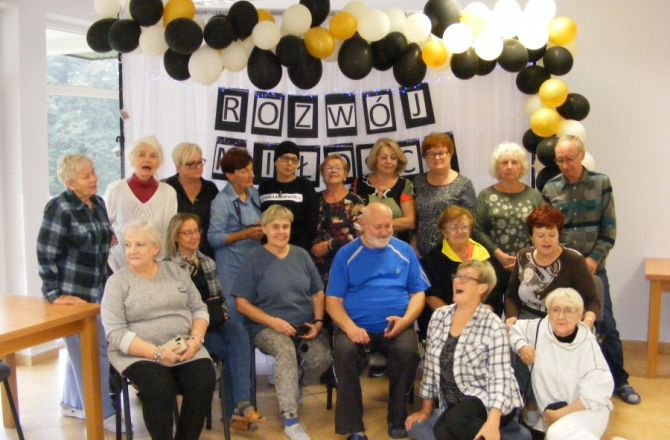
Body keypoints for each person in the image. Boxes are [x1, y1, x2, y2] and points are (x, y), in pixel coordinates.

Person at [542, 135, 639, 405]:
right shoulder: (550, 188)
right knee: (560, 322)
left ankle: (620, 381)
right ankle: (567, 384)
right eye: (560, 160)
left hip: (594, 268)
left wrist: (594, 259)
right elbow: (548, 231)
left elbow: (609, 229)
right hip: (562, 269)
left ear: (582, 156)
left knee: (605, 324)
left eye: (569, 159)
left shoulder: (601, 183)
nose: (565, 165)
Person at [101, 221, 215, 440]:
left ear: (156, 248)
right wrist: (157, 353)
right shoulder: (117, 283)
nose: (132, 251)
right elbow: (115, 333)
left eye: (140, 245)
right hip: (138, 354)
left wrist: (196, 339)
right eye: (128, 245)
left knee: (204, 378)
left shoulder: (175, 271)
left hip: (184, 345)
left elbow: (199, 308)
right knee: (159, 386)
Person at [326, 202, 429, 440]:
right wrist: (350, 328)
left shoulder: (404, 251)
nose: (384, 232)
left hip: (397, 325)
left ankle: (397, 418)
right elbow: (332, 301)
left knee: (408, 352)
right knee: (344, 352)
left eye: (388, 226)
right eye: (378, 227)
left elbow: (418, 294)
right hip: (354, 326)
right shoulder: (346, 254)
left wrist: (406, 320)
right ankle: (353, 426)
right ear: (363, 225)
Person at [233, 205, 331, 440]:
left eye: (285, 226)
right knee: (285, 351)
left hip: (303, 325)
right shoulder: (254, 259)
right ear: (265, 229)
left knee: (322, 357)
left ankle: (293, 378)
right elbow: (242, 304)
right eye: (275, 227)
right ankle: (290, 419)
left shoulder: (301, 255)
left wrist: (318, 322)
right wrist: (273, 322)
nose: (281, 231)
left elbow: (318, 293)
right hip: (266, 326)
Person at [36, 154, 117, 430]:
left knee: (83, 349)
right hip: (73, 293)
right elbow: (46, 252)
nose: (94, 178)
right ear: (70, 183)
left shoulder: (98, 203)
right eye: (86, 176)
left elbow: (104, 237)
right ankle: (102, 413)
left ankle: (73, 402)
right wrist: (53, 293)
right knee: (94, 350)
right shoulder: (59, 207)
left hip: (99, 287)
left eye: (93, 172)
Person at [164, 213, 263, 431]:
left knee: (239, 332)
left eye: (196, 231)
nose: (193, 237)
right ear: (176, 237)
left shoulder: (207, 261)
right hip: (192, 327)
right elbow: (173, 307)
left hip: (215, 319)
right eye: (187, 233)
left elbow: (219, 296)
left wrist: (224, 312)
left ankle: (241, 403)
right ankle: (235, 410)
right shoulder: (168, 266)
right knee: (229, 351)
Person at [405, 261, 524, 440]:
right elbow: (430, 366)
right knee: (445, 428)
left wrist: (492, 423)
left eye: (465, 278)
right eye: (457, 276)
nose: (457, 281)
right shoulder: (439, 316)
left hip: (491, 401)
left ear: (482, 287)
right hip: (456, 404)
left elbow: (500, 377)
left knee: (453, 423)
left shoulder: (493, 324)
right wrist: (426, 410)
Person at [509, 288, 614, 439]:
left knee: (556, 434)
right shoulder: (540, 328)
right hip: (551, 413)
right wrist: (521, 347)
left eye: (568, 310)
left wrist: (558, 415)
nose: (561, 316)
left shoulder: (587, 344)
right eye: (555, 310)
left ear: (580, 315)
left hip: (586, 411)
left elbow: (596, 394)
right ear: (548, 312)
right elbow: (513, 329)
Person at [473, 142, 543, 315]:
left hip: (527, 265)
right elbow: (477, 230)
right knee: (491, 313)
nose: (509, 166)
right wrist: (499, 255)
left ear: (522, 166)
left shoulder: (534, 196)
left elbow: (541, 230)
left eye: (514, 162)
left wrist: (523, 257)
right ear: (497, 167)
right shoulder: (486, 195)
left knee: (522, 315)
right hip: (493, 264)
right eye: (504, 162)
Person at [504, 205, 600, 327]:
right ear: (531, 237)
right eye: (541, 236)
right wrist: (512, 316)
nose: (547, 240)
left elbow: (592, 301)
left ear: (559, 235)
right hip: (527, 320)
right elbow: (511, 296)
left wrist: (588, 321)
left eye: (552, 235)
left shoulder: (574, 260)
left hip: (563, 322)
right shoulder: (523, 256)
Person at [105, 135, 177, 272]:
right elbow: (105, 228)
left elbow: (169, 234)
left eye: (153, 156)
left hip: (156, 268)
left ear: (159, 162)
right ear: (132, 160)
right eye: (142, 155)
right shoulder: (115, 190)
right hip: (120, 267)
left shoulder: (169, 193)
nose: (147, 160)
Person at [208, 148, 264, 322]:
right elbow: (213, 238)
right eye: (245, 171)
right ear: (230, 175)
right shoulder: (221, 201)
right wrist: (245, 234)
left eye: (252, 169)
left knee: (256, 314)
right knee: (237, 316)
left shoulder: (254, 193)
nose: (251, 175)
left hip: (254, 264)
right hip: (231, 268)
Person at [418, 206, 490, 338]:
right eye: (453, 228)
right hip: (445, 321)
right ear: (444, 232)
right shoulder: (433, 258)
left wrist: (479, 317)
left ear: (470, 229)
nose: (460, 231)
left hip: (479, 320)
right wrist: (457, 319)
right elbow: (432, 297)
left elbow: (493, 292)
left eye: (464, 226)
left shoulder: (483, 255)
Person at [413, 132, 476, 257]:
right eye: (431, 154)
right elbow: (414, 218)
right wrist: (413, 244)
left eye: (441, 153)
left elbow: (470, 222)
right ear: (425, 157)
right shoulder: (417, 182)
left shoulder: (464, 184)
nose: (437, 158)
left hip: (454, 252)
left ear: (450, 154)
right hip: (423, 254)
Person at [310, 154, 364, 285]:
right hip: (315, 267)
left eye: (338, 168)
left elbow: (361, 234)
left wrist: (330, 245)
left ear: (345, 175)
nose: (333, 171)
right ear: (322, 174)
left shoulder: (355, 201)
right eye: (329, 168)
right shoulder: (313, 199)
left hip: (348, 264)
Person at [352, 138, 415, 243]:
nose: (388, 161)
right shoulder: (359, 184)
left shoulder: (405, 185)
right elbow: (354, 218)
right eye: (384, 158)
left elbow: (410, 222)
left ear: (398, 161)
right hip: (366, 245)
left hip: (397, 245)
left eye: (393, 158)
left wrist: (375, 225)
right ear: (375, 159)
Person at [259, 141, 318, 251]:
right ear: (275, 161)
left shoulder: (305, 186)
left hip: (297, 250)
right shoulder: (264, 187)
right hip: (268, 249)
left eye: (294, 160)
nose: (290, 163)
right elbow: (261, 219)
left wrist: (294, 251)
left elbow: (311, 223)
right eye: (285, 159)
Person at [164, 142, 219, 258]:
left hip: (205, 254)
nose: (198, 167)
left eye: (200, 162)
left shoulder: (210, 188)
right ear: (178, 167)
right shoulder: (167, 188)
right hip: (175, 255)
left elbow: (216, 222)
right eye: (191, 164)